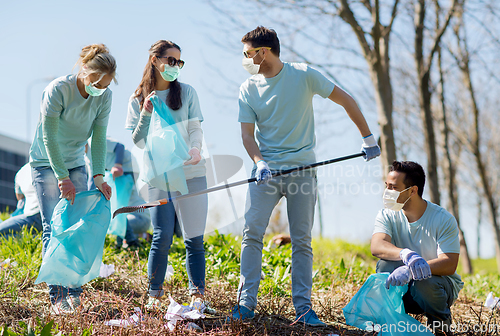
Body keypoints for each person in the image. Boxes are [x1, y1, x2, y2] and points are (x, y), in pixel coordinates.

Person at [231, 26, 381, 326]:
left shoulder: (303, 75)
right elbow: (247, 135)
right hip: (267, 173)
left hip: (302, 170)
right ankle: (245, 304)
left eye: (248, 53)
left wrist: (367, 138)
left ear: (264, 52)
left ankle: (303, 309)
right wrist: (259, 162)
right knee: (252, 233)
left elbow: (346, 99)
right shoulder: (247, 88)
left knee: (301, 240)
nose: (245, 59)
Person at [29, 44, 116, 315]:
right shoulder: (58, 90)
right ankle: (57, 296)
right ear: (84, 70)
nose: (99, 88)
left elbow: (99, 138)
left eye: (106, 84)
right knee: (53, 225)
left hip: (77, 163)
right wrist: (61, 176)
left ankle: (74, 292)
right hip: (46, 163)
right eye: (95, 82)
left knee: (76, 225)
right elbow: (49, 137)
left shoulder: (104, 97)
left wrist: (99, 175)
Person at [126, 40, 208, 311]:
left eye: (179, 62)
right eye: (171, 61)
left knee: (193, 237)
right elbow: (138, 142)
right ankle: (154, 295)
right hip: (158, 175)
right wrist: (146, 114)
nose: (175, 67)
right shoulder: (138, 99)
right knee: (161, 235)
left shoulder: (187, 93)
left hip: (191, 170)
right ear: (155, 61)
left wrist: (195, 149)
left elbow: (195, 128)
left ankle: (198, 294)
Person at [371, 161, 463, 334]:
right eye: (387, 186)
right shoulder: (387, 214)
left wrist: (413, 270)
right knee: (384, 266)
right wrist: (406, 254)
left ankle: (441, 325)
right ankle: (393, 323)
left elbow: (449, 263)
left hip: (436, 288)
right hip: (403, 287)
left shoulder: (443, 219)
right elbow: (377, 246)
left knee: (424, 282)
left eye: (393, 187)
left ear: (412, 190)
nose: (387, 192)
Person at [87, 138, 151, 249]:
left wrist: (118, 164)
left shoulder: (95, 141)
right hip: (114, 173)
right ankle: (129, 240)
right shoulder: (87, 158)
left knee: (116, 208)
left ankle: (130, 242)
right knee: (113, 208)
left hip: (126, 167)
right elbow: (92, 180)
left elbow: (119, 146)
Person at [0, 163, 42, 236]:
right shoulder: (50, 164)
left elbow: (20, 197)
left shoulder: (21, 172)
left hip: (32, 216)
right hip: (50, 215)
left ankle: (30, 237)